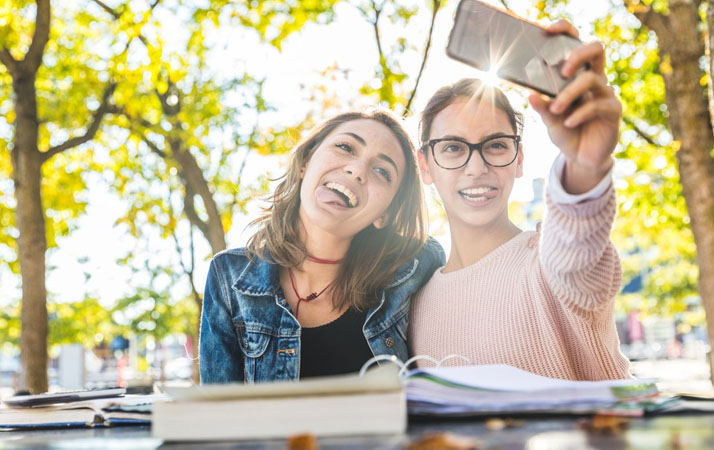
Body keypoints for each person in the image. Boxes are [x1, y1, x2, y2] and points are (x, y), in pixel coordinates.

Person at [409, 21, 631, 381]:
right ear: (425, 165)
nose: (476, 167)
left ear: (519, 159)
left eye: (496, 145)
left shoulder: (547, 260)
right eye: (452, 148)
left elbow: (576, 250)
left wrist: (584, 167)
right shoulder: (414, 302)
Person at [200, 110, 445, 383]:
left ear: (385, 214)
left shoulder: (417, 266)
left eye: (382, 171)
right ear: (305, 162)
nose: (357, 170)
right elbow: (218, 413)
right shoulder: (228, 276)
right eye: (345, 147)